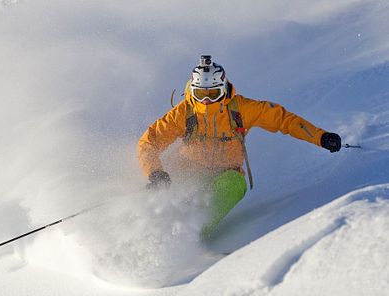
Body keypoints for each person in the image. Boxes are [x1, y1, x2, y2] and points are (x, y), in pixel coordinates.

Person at [137, 55, 342, 239]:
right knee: (166, 193)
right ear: (192, 90)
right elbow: (149, 142)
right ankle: (145, 231)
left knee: (236, 184)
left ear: (224, 89)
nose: (207, 100)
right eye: (200, 94)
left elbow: (283, 120)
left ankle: (192, 235)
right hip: (189, 170)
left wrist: (321, 137)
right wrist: (155, 172)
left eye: (213, 93)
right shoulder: (183, 113)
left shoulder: (242, 109)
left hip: (226, 173)